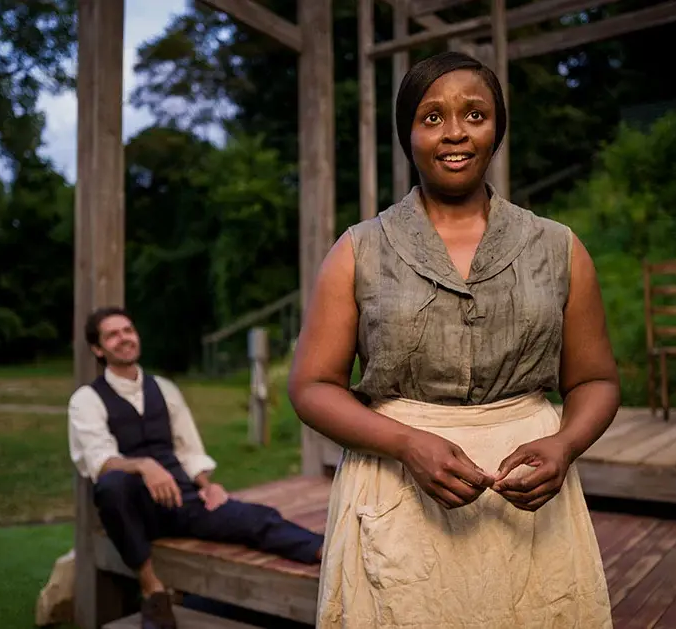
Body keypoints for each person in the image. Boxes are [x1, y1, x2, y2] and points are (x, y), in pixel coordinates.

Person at [288, 51, 620, 628]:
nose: (455, 132)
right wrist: (406, 444)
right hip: (395, 496)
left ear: (496, 130)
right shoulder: (359, 250)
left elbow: (594, 380)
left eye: (474, 114)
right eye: (432, 117)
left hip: (530, 504)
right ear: (408, 135)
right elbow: (313, 386)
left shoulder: (558, 247)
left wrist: (565, 445)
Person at [68, 306, 325, 629]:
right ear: (98, 348)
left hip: (181, 499)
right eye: (112, 334)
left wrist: (206, 485)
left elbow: (189, 449)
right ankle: (152, 590)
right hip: (137, 510)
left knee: (256, 518)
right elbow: (99, 461)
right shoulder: (86, 400)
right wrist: (145, 466)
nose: (124, 338)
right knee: (112, 485)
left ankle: (326, 552)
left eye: (128, 330)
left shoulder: (164, 388)